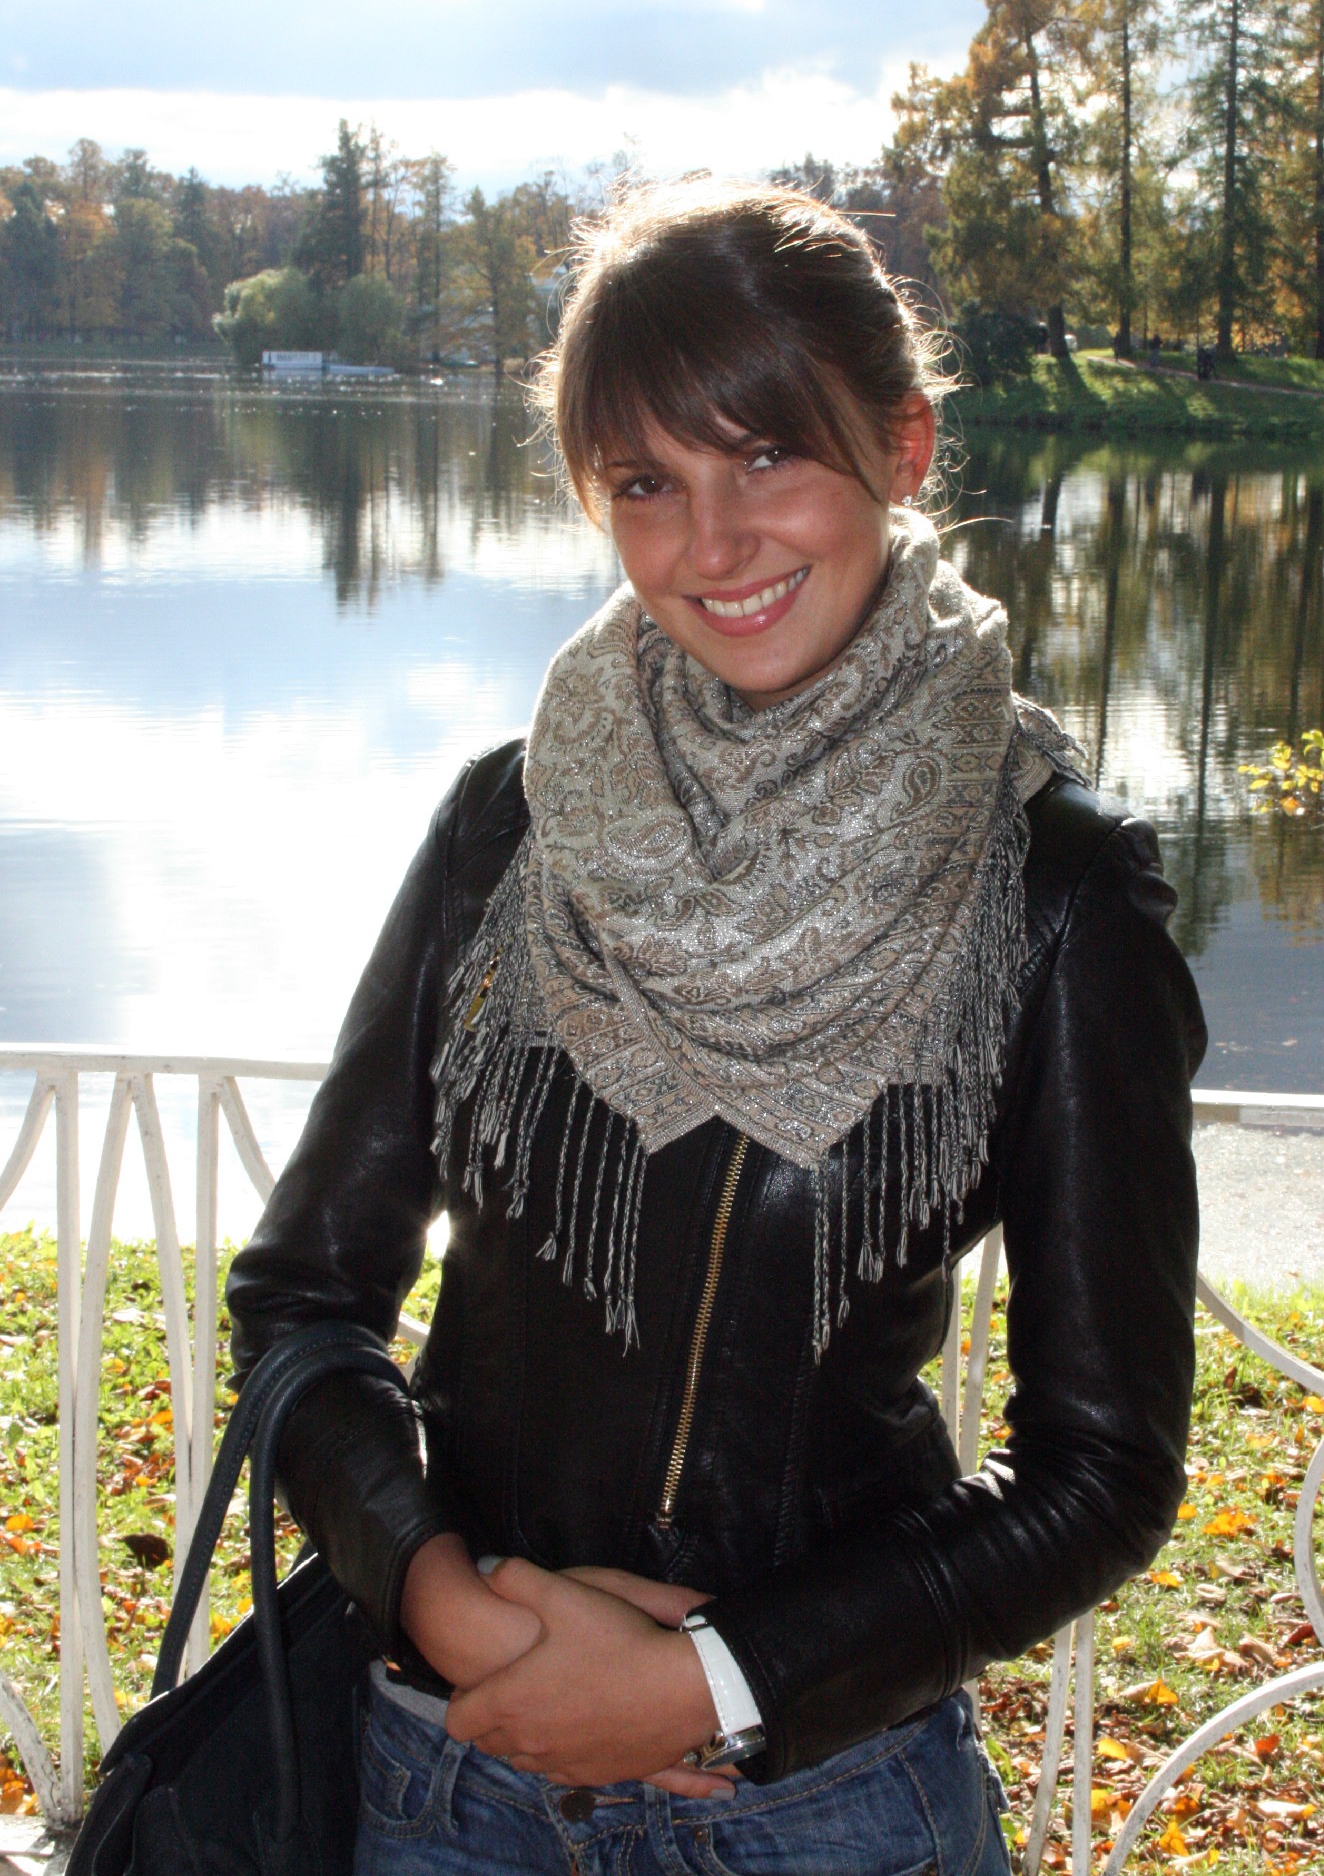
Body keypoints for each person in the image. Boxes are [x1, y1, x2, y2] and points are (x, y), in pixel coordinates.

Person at [227, 180, 1205, 1876]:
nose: (712, 543)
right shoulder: (509, 829)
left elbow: (1100, 1469)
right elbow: (305, 1296)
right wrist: (442, 1598)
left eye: (767, 457)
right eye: (646, 484)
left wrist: (720, 1683)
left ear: (901, 448)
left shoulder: (1052, 894)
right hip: (449, 1772)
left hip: (820, 1805)